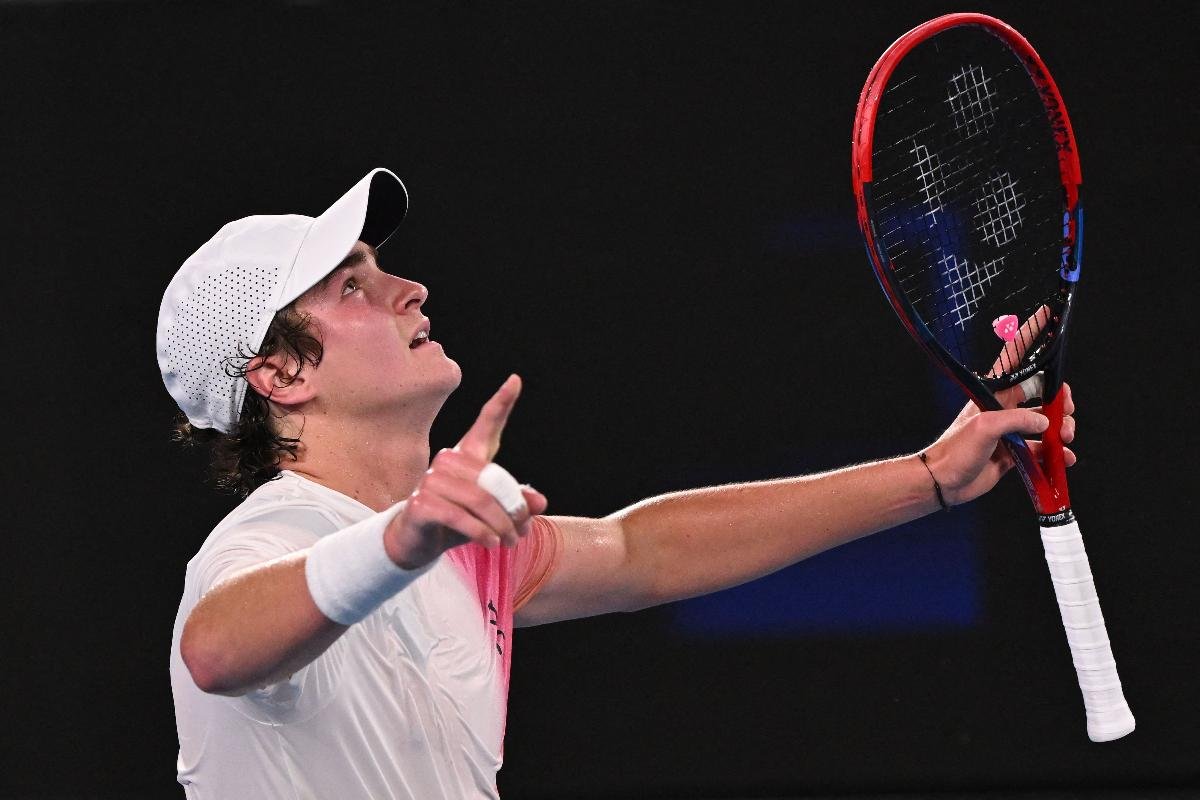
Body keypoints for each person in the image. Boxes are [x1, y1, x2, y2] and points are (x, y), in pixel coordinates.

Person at [159, 167, 1075, 799]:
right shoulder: (272, 540)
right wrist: (398, 542)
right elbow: (216, 647)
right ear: (279, 376)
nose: (411, 287)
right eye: (352, 286)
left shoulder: (464, 549)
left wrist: (930, 478)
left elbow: (642, 550)